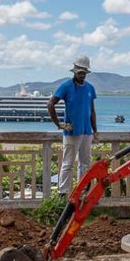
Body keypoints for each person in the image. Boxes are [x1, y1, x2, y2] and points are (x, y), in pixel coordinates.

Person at [48, 55, 98, 194]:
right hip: (71, 132)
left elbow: (92, 110)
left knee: (85, 164)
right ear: (75, 72)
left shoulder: (90, 88)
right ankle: (63, 193)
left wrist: (95, 131)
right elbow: (50, 104)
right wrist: (59, 124)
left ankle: (82, 192)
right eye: (80, 72)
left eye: (84, 73)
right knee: (68, 164)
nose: (82, 75)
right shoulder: (66, 86)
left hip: (87, 132)